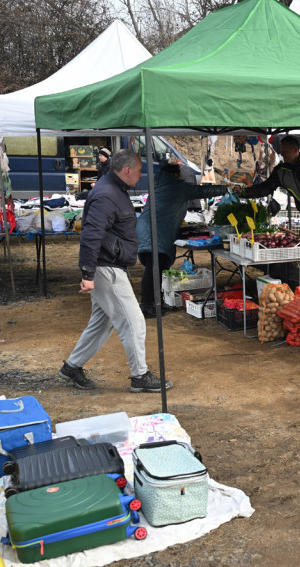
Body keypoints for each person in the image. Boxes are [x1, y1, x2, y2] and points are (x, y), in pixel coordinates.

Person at [59, 149, 172, 393]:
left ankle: (71, 366)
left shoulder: (113, 189)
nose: (141, 176)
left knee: (102, 323)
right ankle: (140, 376)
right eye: (140, 171)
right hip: (105, 268)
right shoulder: (107, 194)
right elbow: (91, 235)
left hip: (108, 265)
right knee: (134, 321)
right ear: (127, 170)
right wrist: (87, 274)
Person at [136, 161, 226, 317]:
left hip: (150, 228)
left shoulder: (160, 184)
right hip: (155, 231)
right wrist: (226, 189)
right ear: (176, 174)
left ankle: (154, 303)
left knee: (156, 268)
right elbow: (202, 191)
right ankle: (147, 306)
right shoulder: (176, 186)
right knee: (153, 269)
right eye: (181, 173)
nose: (183, 176)